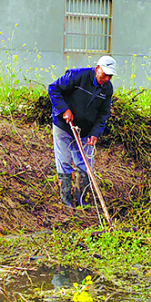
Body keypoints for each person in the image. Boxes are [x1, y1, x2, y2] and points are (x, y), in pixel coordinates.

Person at [47, 55, 116, 208]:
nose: (106, 78)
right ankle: (66, 201)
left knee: (85, 164)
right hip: (64, 125)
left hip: (85, 130)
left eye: (110, 76)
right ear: (97, 68)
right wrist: (64, 109)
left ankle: (81, 201)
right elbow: (53, 88)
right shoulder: (78, 76)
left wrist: (95, 133)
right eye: (104, 74)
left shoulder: (107, 89)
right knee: (64, 160)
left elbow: (103, 113)